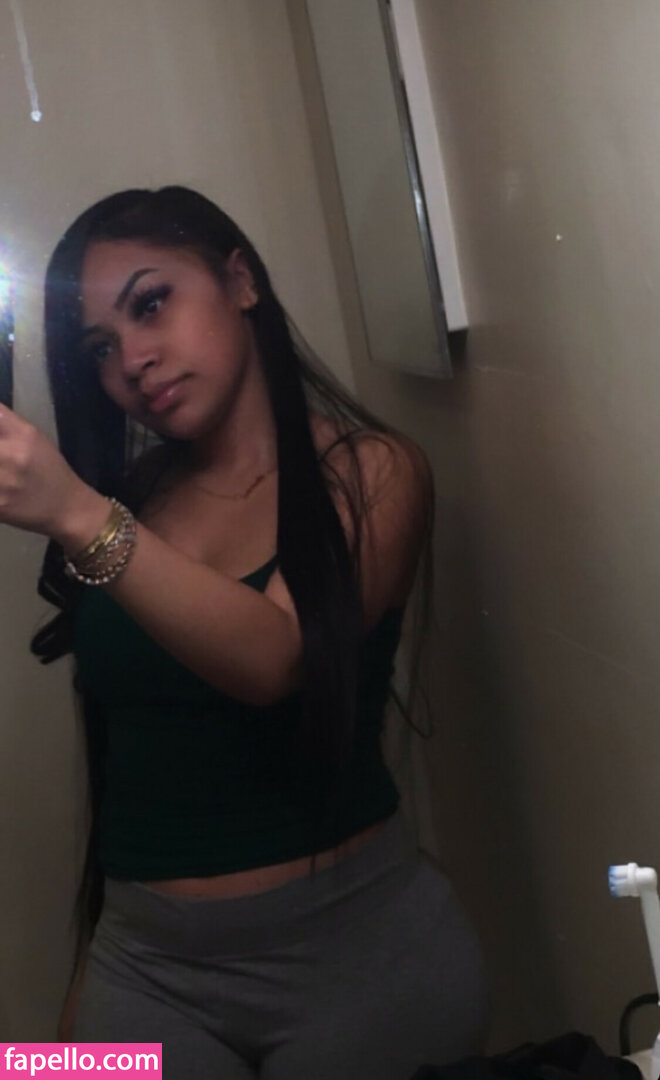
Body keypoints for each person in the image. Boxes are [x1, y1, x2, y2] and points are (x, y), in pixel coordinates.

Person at [1, 186, 487, 1078]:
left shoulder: (375, 472)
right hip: (143, 966)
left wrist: (73, 511)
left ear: (239, 282)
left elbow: (275, 659)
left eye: (152, 304)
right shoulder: (132, 503)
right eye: (100, 348)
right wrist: (78, 1021)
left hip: (362, 964)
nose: (133, 361)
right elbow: (128, 765)